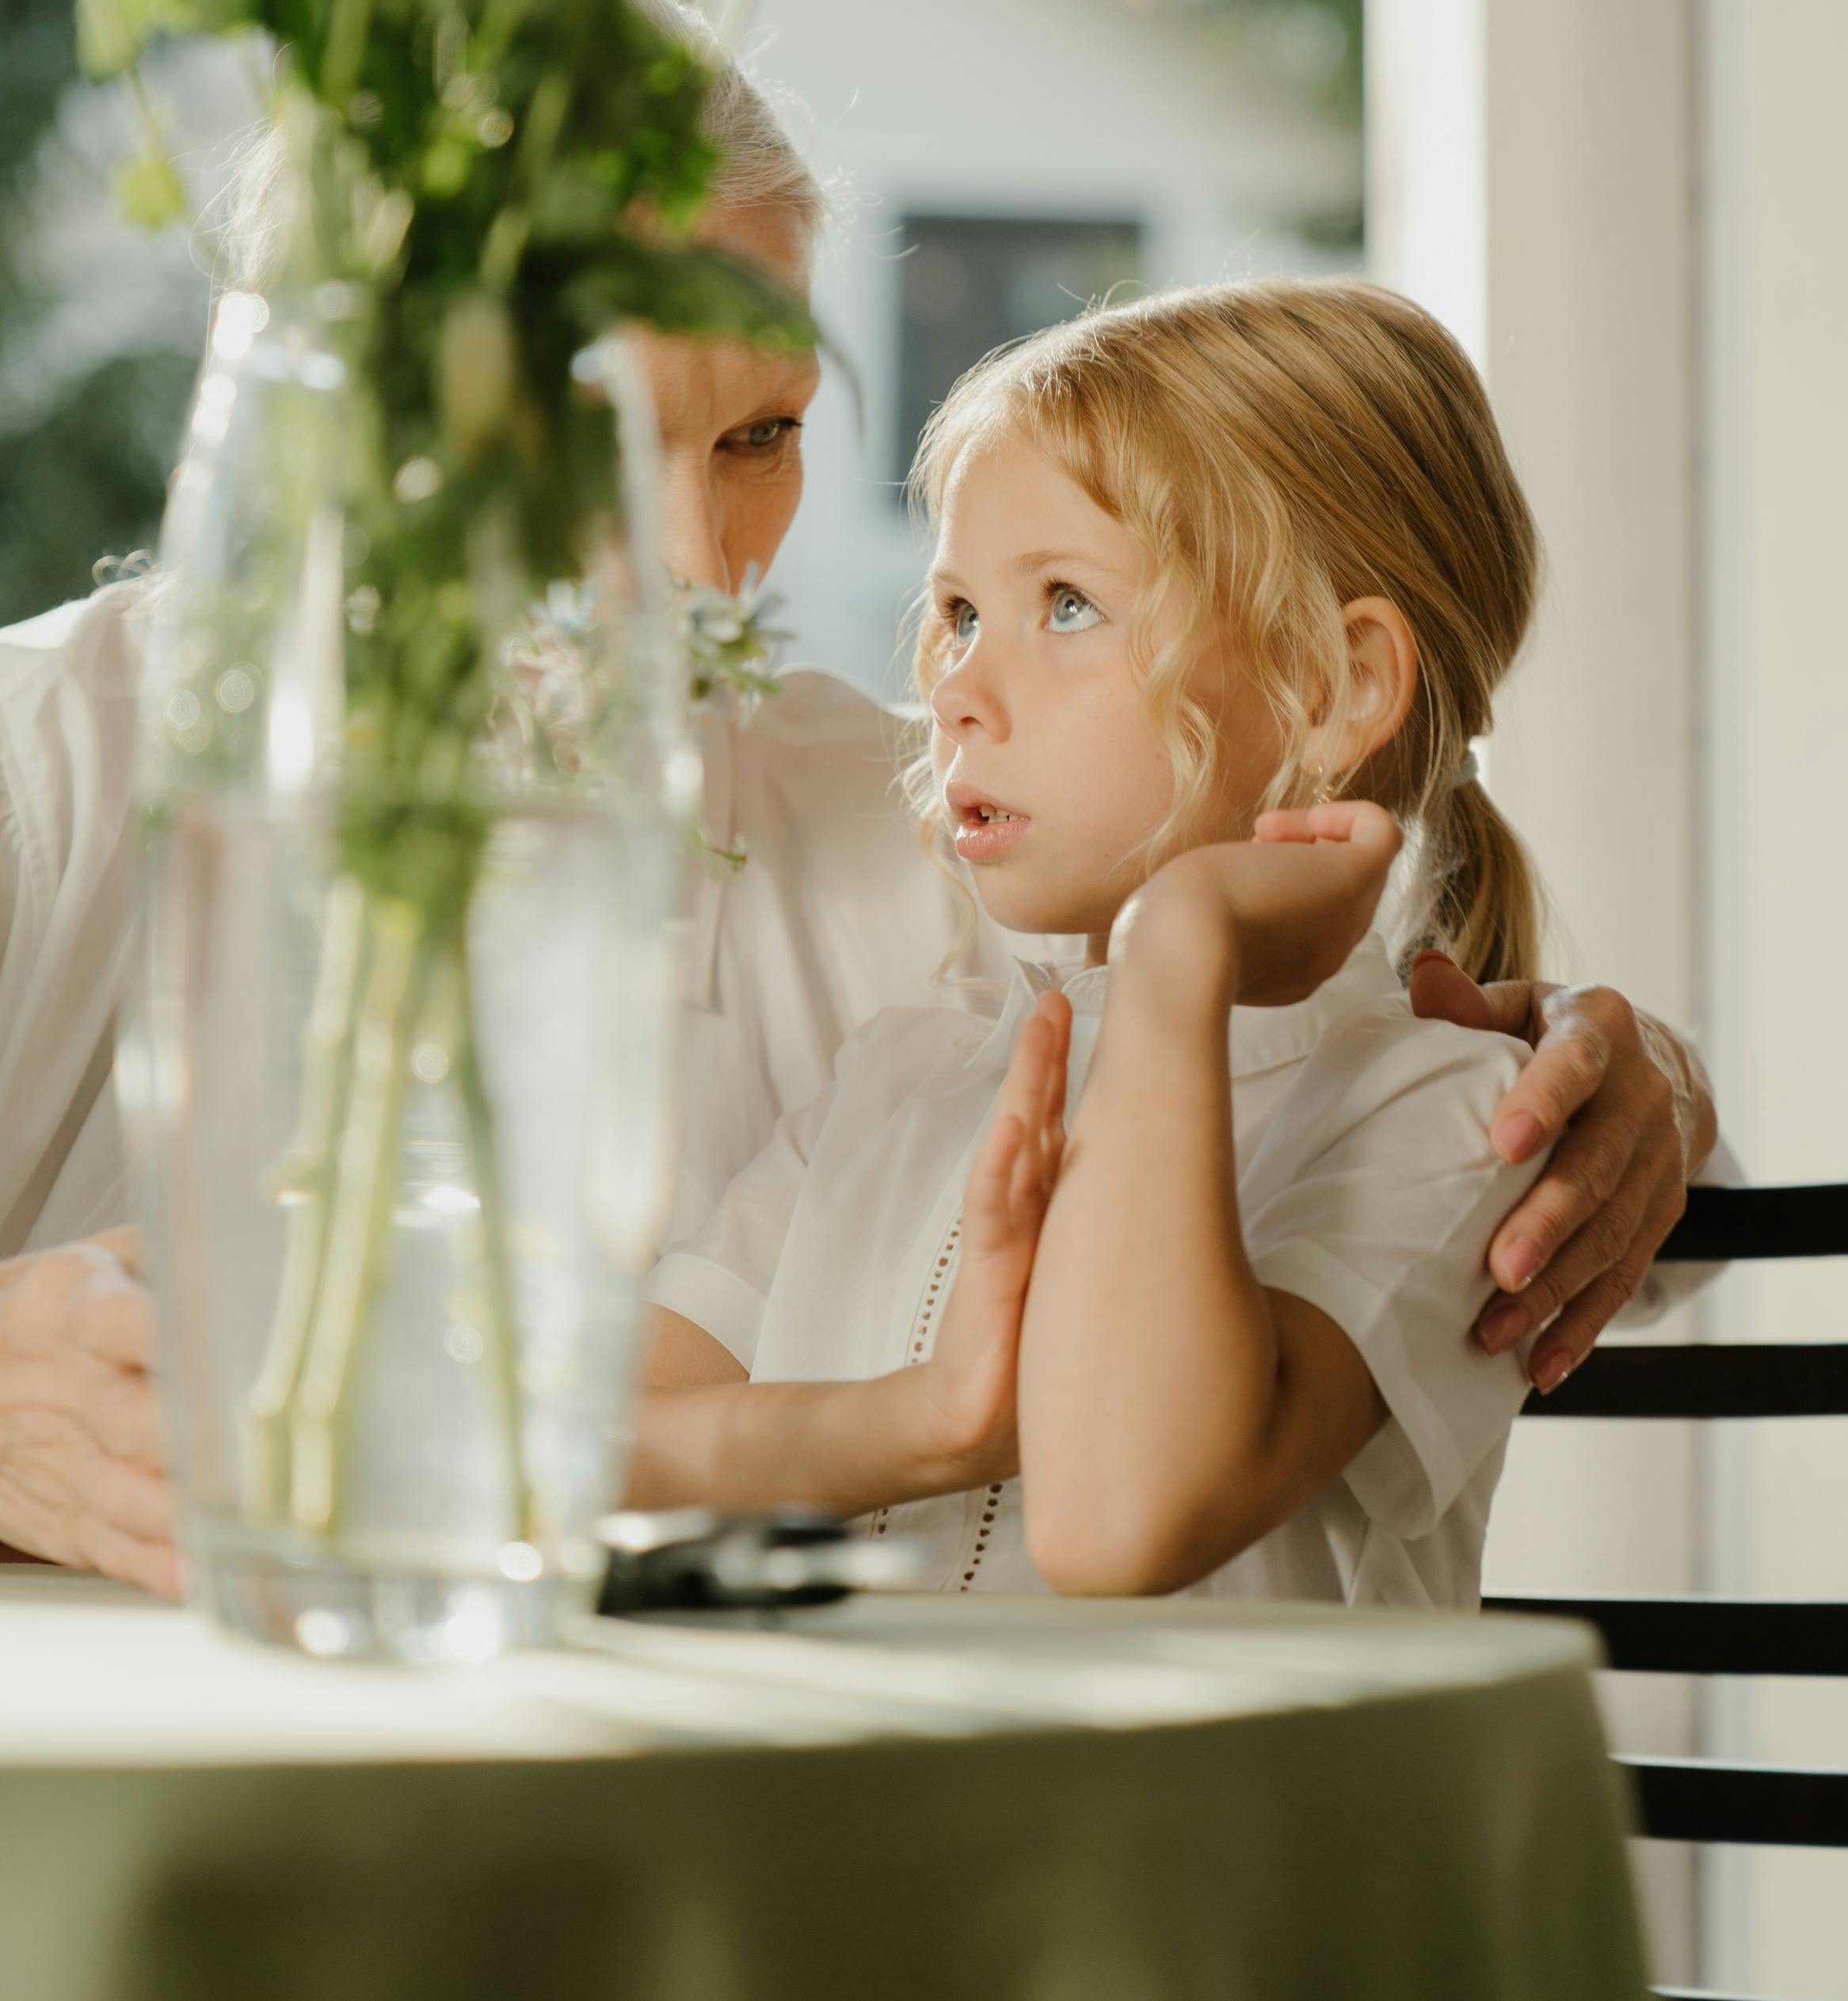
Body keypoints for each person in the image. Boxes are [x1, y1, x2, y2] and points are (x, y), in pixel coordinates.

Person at [0, 0, 1718, 1595]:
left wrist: (1631, 1082)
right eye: (590, 428)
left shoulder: (931, 826)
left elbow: (1359, 1060)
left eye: (762, 435)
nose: (697, 565)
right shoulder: (45, 773)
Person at [634, 282, 1576, 1603]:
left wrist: (1177, 952)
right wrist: (919, 1418)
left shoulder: (1439, 1114)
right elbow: (589, 1453)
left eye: (1065, 605)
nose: (955, 688)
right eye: (957, 612)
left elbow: (1114, 1526)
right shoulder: (890, 1086)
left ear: (1332, 684)